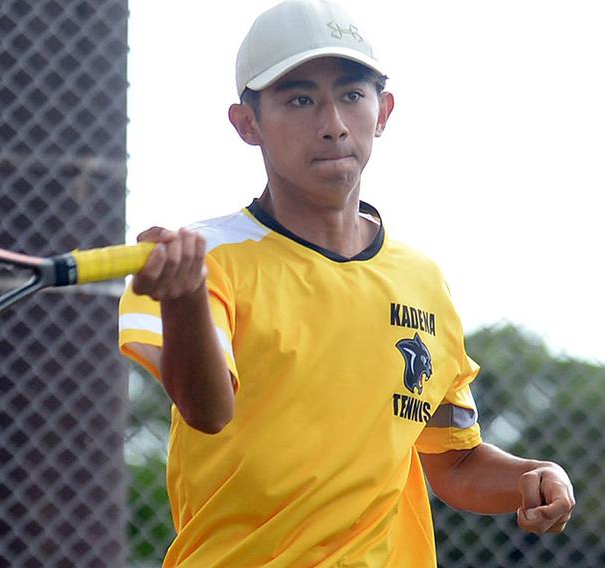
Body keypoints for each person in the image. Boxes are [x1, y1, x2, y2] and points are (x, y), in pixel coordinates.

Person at [117, 0, 576, 566]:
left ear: (382, 111)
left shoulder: (422, 279)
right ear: (247, 124)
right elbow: (207, 410)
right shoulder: (199, 259)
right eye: (300, 98)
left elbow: (454, 464)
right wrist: (184, 298)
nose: (332, 123)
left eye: (352, 95)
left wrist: (536, 475)